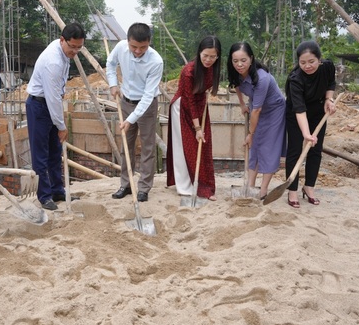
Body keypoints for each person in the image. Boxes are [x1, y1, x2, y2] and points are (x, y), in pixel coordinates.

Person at [26, 23, 86, 210]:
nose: (75, 51)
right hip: (39, 106)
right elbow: (52, 98)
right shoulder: (53, 61)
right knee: (41, 154)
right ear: (62, 40)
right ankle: (44, 196)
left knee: (54, 151)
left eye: (79, 47)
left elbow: (55, 96)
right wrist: (61, 126)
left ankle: (57, 190)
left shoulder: (63, 52)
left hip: (50, 104)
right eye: (72, 46)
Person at [106, 23, 164, 202]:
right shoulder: (120, 47)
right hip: (126, 101)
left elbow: (148, 96)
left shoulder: (156, 61)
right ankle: (125, 184)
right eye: (134, 47)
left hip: (147, 106)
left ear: (149, 43)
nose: (138, 51)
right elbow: (110, 64)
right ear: (128, 41)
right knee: (126, 145)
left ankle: (144, 188)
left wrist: (131, 119)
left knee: (147, 147)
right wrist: (113, 83)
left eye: (143, 47)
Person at [227, 42, 286, 200]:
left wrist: (250, 134)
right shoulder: (237, 73)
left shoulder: (262, 78)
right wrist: (241, 104)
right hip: (256, 107)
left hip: (274, 110)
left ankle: (263, 190)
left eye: (243, 60)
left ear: (251, 59)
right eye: (235, 61)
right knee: (254, 148)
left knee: (268, 148)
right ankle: (251, 186)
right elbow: (237, 86)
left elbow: (257, 110)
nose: (239, 64)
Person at [166, 36, 221, 201]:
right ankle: (185, 186)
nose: (208, 60)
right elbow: (189, 100)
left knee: (203, 145)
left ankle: (204, 186)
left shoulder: (213, 68)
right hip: (183, 107)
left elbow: (202, 93)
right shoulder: (188, 71)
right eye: (205, 55)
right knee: (186, 145)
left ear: (217, 56)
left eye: (213, 56)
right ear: (199, 53)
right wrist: (197, 129)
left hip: (200, 106)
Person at [284, 40, 337, 208]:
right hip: (296, 113)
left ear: (319, 60)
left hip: (318, 111)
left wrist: (329, 99)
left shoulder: (327, 67)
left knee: (315, 149)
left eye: (311, 61)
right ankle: (292, 191)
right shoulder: (295, 79)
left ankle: (309, 187)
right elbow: (299, 110)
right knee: (295, 151)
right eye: (303, 62)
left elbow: (330, 83)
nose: (307, 66)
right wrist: (306, 134)